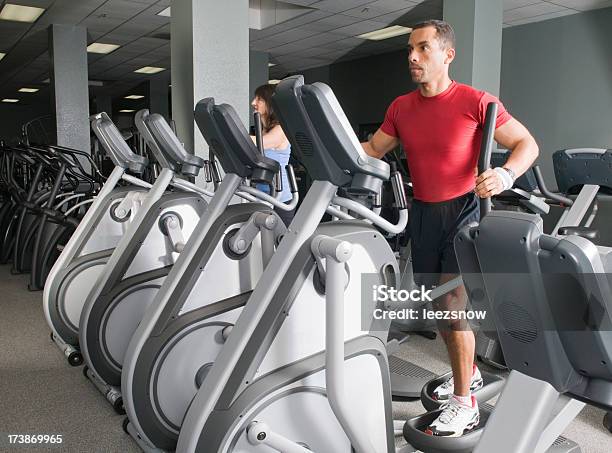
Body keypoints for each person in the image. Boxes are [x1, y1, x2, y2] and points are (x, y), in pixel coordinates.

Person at [362, 20, 539, 437]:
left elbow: (527, 144)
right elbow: (372, 149)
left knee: (453, 309)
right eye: (410, 49)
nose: (412, 56)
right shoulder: (401, 107)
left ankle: (465, 404)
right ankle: (470, 375)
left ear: (447, 55)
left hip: (463, 214)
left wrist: (505, 175)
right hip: (423, 215)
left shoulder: (476, 101)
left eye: (423, 48)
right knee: (440, 310)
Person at [250, 83, 294, 226]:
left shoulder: (281, 130)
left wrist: (231, 132)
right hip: (261, 194)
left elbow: (260, 143)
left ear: (270, 104)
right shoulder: (262, 131)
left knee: (282, 243)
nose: (253, 103)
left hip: (280, 197)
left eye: (259, 99)